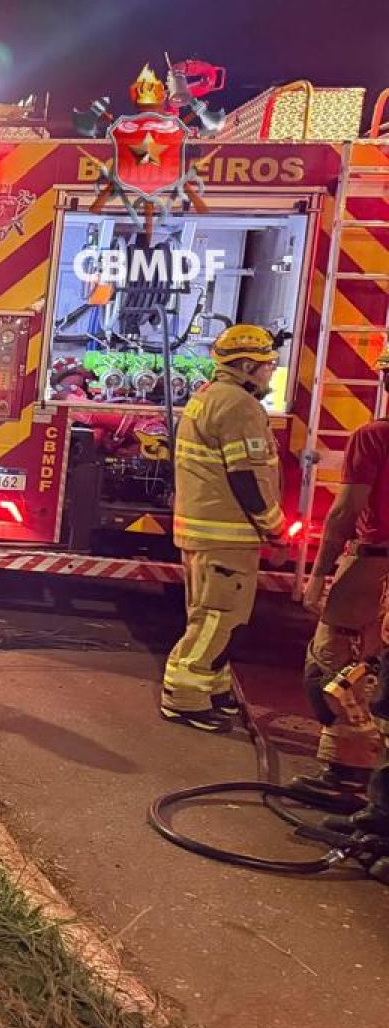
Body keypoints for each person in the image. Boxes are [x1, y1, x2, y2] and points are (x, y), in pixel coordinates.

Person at [160, 325, 287, 732]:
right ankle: (184, 697)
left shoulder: (209, 397)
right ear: (247, 366)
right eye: (267, 364)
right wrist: (275, 527)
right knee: (218, 618)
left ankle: (213, 688)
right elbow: (247, 477)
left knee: (211, 614)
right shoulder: (238, 406)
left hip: (208, 532)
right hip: (226, 533)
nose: (270, 371)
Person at [297, 357, 389, 801]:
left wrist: (317, 577)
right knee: (376, 670)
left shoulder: (375, 437)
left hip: (373, 567)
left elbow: (344, 513)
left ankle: (346, 772)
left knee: (332, 667)